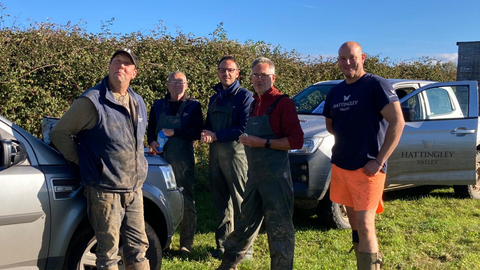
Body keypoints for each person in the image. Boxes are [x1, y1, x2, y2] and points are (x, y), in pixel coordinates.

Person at [50, 49, 151, 270]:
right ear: (109, 67)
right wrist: (84, 161)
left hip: (134, 189)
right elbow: (59, 133)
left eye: (126, 64)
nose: (120, 67)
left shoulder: (138, 101)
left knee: (138, 250)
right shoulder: (91, 101)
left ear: (134, 73)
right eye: (116, 62)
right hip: (105, 191)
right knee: (108, 255)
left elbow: (135, 141)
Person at [322, 41, 405, 269]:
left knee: (366, 225)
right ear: (337, 61)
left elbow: (398, 122)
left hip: (368, 168)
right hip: (341, 165)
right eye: (342, 59)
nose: (347, 63)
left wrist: (379, 160)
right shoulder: (336, 91)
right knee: (354, 223)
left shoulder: (376, 85)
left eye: (352, 57)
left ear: (363, 57)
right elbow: (331, 126)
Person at [216, 57, 304, 270]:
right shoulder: (255, 103)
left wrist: (262, 142)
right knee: (245, 222)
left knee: (279, 229)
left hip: (276, 179)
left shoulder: (283, 103)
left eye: (263, 75)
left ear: (273, 77)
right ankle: (228, 264)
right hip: (254, 176)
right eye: (255, 75)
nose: (258, 79)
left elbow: (296, 141)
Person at [201, 55, 254, 258]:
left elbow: (244, 127)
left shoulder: (245, 96)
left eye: (230, 70)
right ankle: (223, 246)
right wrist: (206, 132)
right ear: (218, 72)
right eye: (223, 70)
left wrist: (216, 135)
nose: (226, 73)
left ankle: (244, 249)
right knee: (220, 201)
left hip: (235, 153)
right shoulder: (215, 97)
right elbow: (209, 123)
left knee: (240, 200)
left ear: (237, 73)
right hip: (215, 154)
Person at [147, 71, 203, 255]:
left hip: (182, 160)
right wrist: (152, 141)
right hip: (160, 159)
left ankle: (186, 244)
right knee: (161, 198)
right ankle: (164, 241)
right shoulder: (157, 105)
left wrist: (175, 132)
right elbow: (150, 130)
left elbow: (197, 132)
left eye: (182, 82)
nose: (178, 85)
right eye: (174, 82)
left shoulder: (193, 106)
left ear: (186, 85)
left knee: (185, 198)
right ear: (168, 84)